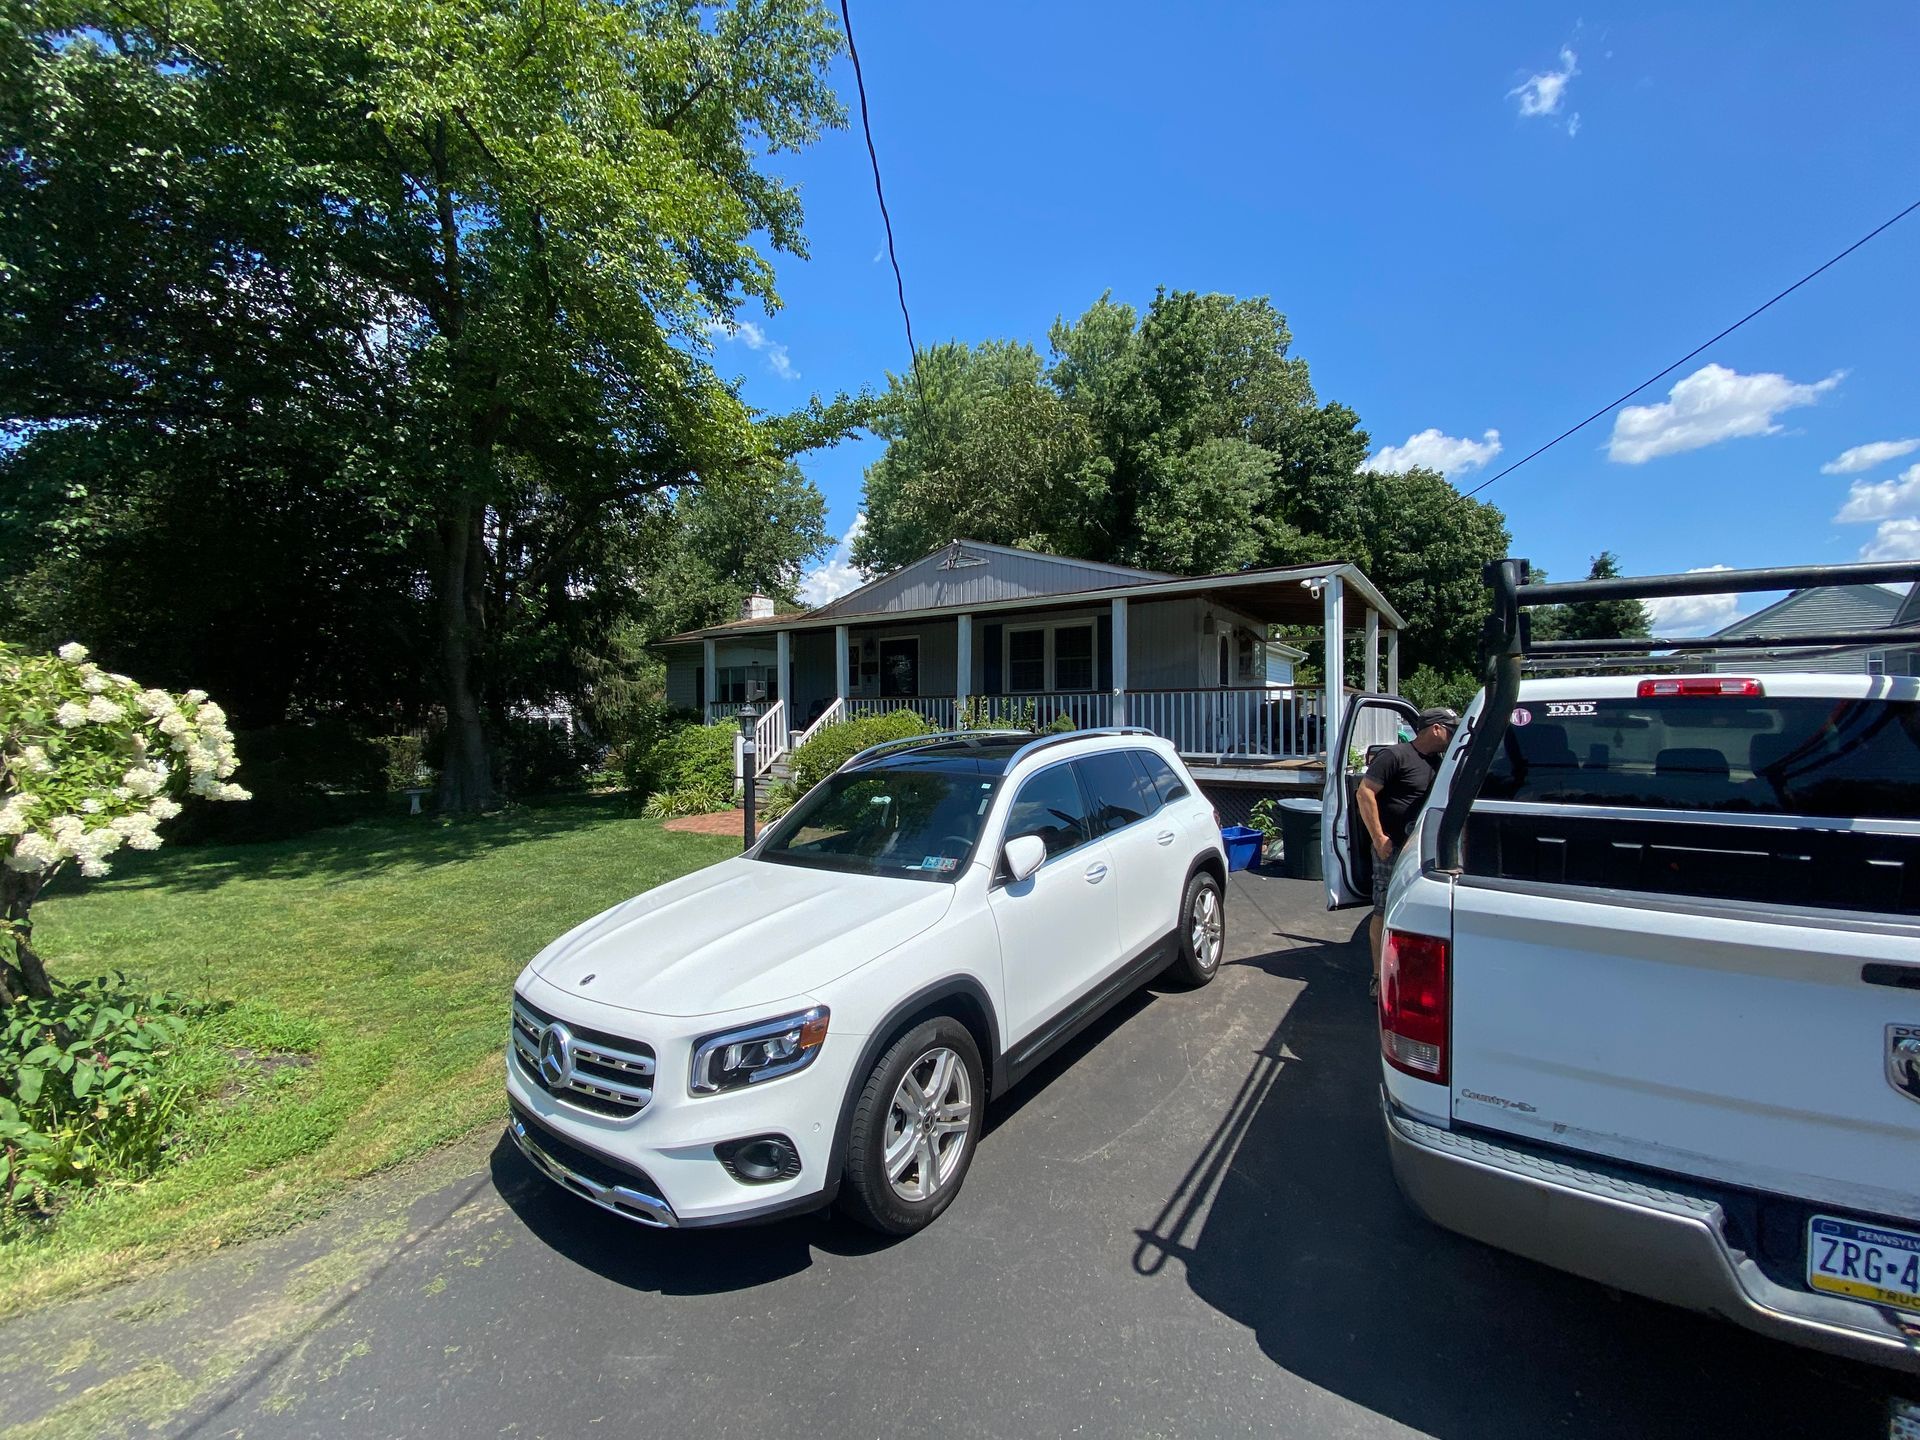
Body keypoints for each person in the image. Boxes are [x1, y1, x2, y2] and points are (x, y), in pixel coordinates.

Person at [1356, 706, 1459, 993]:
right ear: (1436, 729)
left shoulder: (1440, 762)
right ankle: (1379, 977)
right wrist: (1379, 838)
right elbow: (1364, 793)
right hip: (1393, 848)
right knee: (1385, 908)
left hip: (1424, 848)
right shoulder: (1395, 756)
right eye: (1451, 729)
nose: (1453, 735)